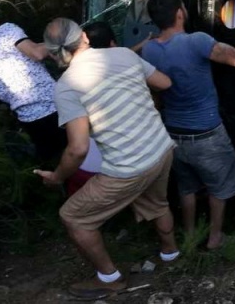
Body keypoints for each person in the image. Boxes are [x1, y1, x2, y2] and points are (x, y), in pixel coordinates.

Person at [35, 18, 178, 299]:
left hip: (128, 167)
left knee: (73, 216)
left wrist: (57, 177)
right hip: (160, 148)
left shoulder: (66, 86)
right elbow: (164, 82)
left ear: (54, 54)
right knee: (158, 202)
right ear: (84, 37)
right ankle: (171, 253)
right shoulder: (124, 54)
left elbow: (77, 149)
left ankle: (109, 278)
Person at [140, 0, 235, 250]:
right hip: (206, 135)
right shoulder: (195, 41)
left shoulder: (149, 50)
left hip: (173, 135)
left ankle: (189, 233)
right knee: (219, 189)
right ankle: (215, 237)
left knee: (186, 188)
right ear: (179, 13)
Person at [0, 5, 67, 161]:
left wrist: (0, 93)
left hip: (28, 119)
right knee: (82, 152)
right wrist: (60, 40)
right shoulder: (6, 30)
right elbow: (37, 53)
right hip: (57, 105)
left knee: (55, 161)